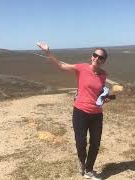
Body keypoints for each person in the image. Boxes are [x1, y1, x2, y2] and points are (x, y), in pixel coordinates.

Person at [37, 42, 110, 179]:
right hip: (80, 112)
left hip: (97, 114)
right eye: (95, 55)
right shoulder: (82, 68)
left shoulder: (103, 75)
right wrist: (48, 52)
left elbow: (99, 91)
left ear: (103, 61)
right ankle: (81, 161)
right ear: (91, 56)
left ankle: (89, 171)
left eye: (100, 57)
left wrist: (104, 98)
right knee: (81, 142)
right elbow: (61, 66)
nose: (96, 58)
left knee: (95, 143)